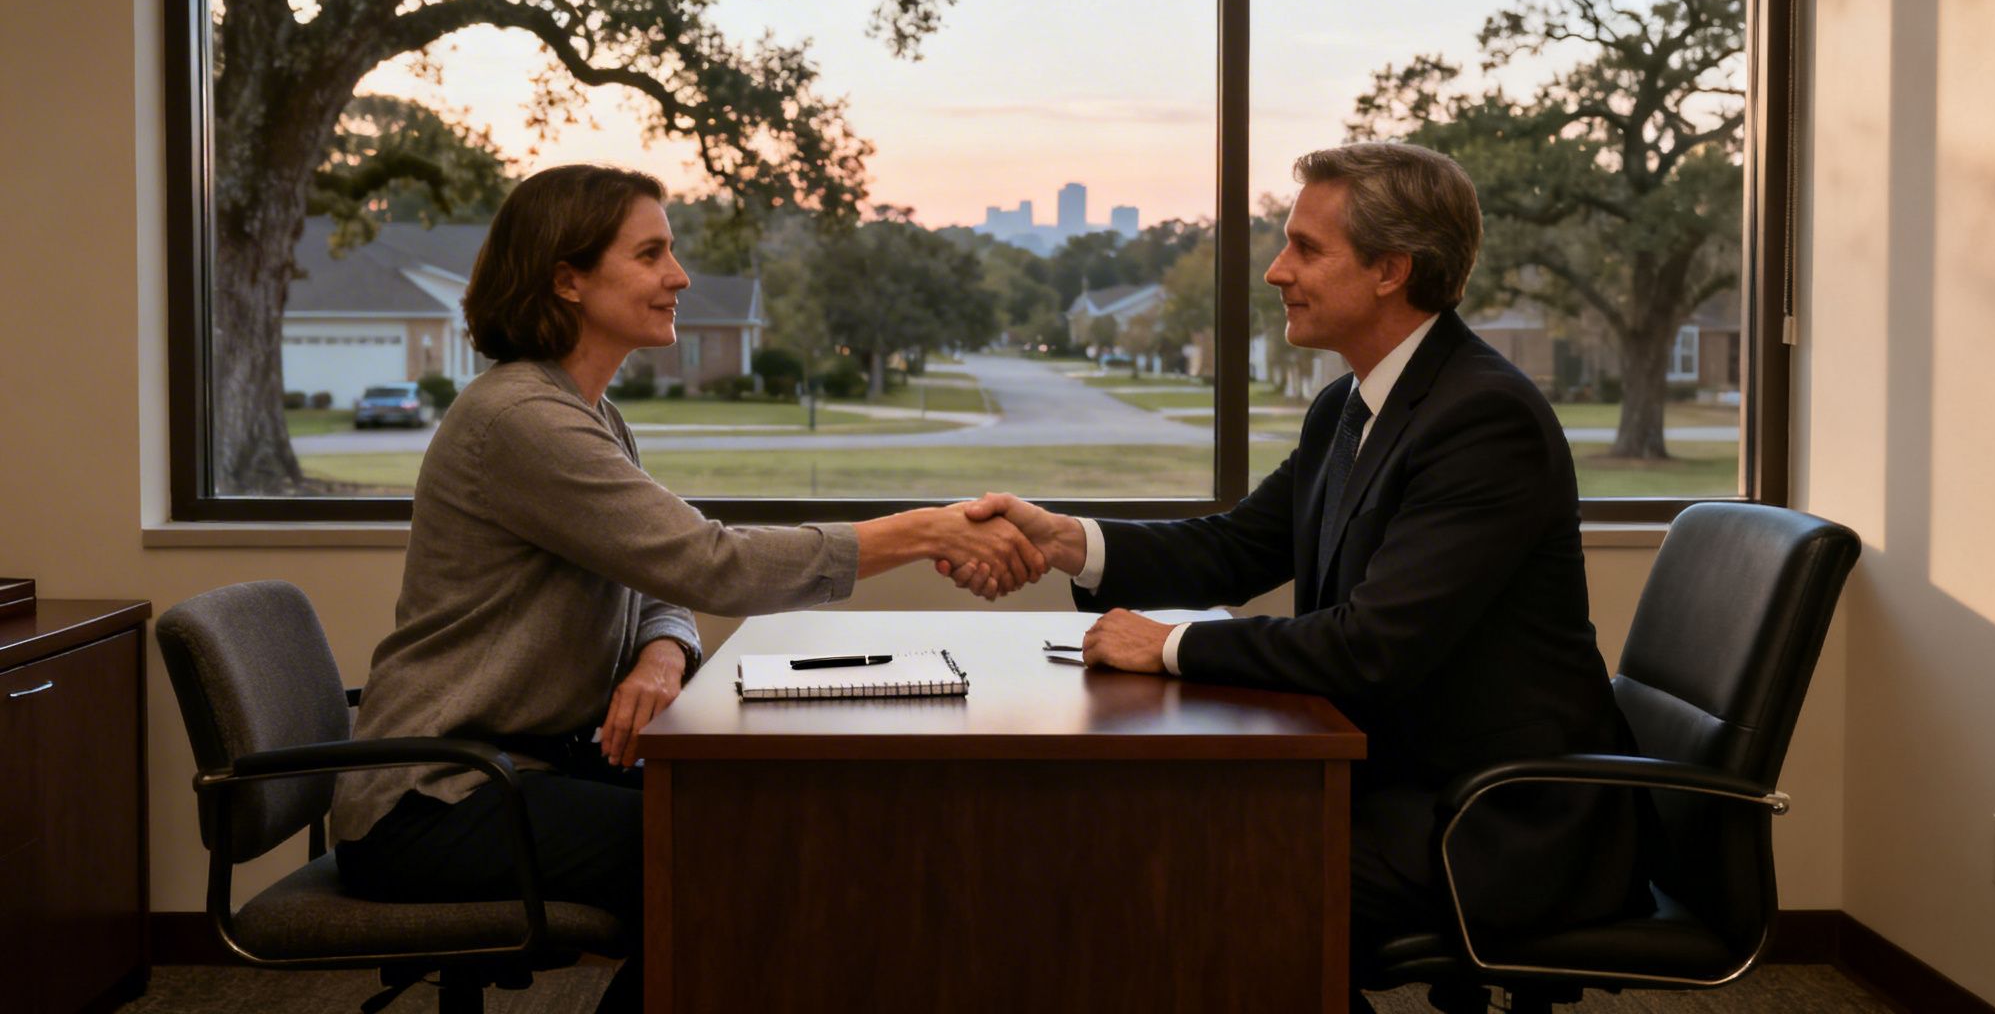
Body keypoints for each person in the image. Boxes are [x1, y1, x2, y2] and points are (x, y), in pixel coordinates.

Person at [332, 164, 1044, 1013]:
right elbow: (709, 563)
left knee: (778, 814)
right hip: (434, 799)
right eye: (652, 253)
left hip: (529, 763)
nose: (680, 277)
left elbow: (657, 582)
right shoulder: (521, 420)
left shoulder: (587, 411)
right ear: (568, 279)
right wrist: (923, 530)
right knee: (737, 856)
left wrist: (662, 655)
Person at [949, 142, 1642, 986]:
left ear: (1392, 269)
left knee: (1191, 884)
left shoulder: (1482, 420)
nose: (1277, 272)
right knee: (1140, 842)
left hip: (1490, 818)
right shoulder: (1349, 404)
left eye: (1306, 249)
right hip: (1388, 775)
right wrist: (1069, 539)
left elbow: (1369, 647)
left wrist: (1165, 646)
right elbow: (1239, 546)